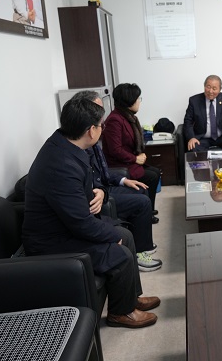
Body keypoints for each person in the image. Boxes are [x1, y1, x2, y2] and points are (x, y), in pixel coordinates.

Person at [22, 96, 161, 329]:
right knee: (120, 252)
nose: (102, 129)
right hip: (53, 240)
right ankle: (121, 313)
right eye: (100, 125)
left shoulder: (65, 143)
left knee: (125, 235)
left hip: (67, 225)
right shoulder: (60, 165)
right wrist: (109, 235)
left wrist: (99, 191)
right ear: (91, 131)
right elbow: (81, 224)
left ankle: (131, 298)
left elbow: (86, 186)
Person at [74, 90, 162, 272]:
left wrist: (123, 180)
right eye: (97, 110)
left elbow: (102, 171)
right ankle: (140, 251)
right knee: (143, 198)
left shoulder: (92, 137)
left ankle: (142, 245)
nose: (102, 116)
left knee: (141, 189)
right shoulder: (81, 144)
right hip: (101, 195)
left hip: (107, 185)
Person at [102, 83, 161, 223]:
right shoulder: (115, 120)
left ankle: (149, 208)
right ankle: (146, 211)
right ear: (129, 101)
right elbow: (115, 150)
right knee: (151, 176)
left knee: (155, 172)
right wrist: (135, 158)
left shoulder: (128, 116)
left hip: (128, 162)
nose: (139, 101)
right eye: (137, 98)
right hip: (119, 166)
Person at [183, 75, 222, 152]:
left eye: (214, 88)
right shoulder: (194, 101)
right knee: (193, 147)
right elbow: (188, 121)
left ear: (220, 89)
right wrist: (191, 137)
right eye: (208, 87)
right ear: (204, 86)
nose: (210, 91)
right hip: (203, 138)